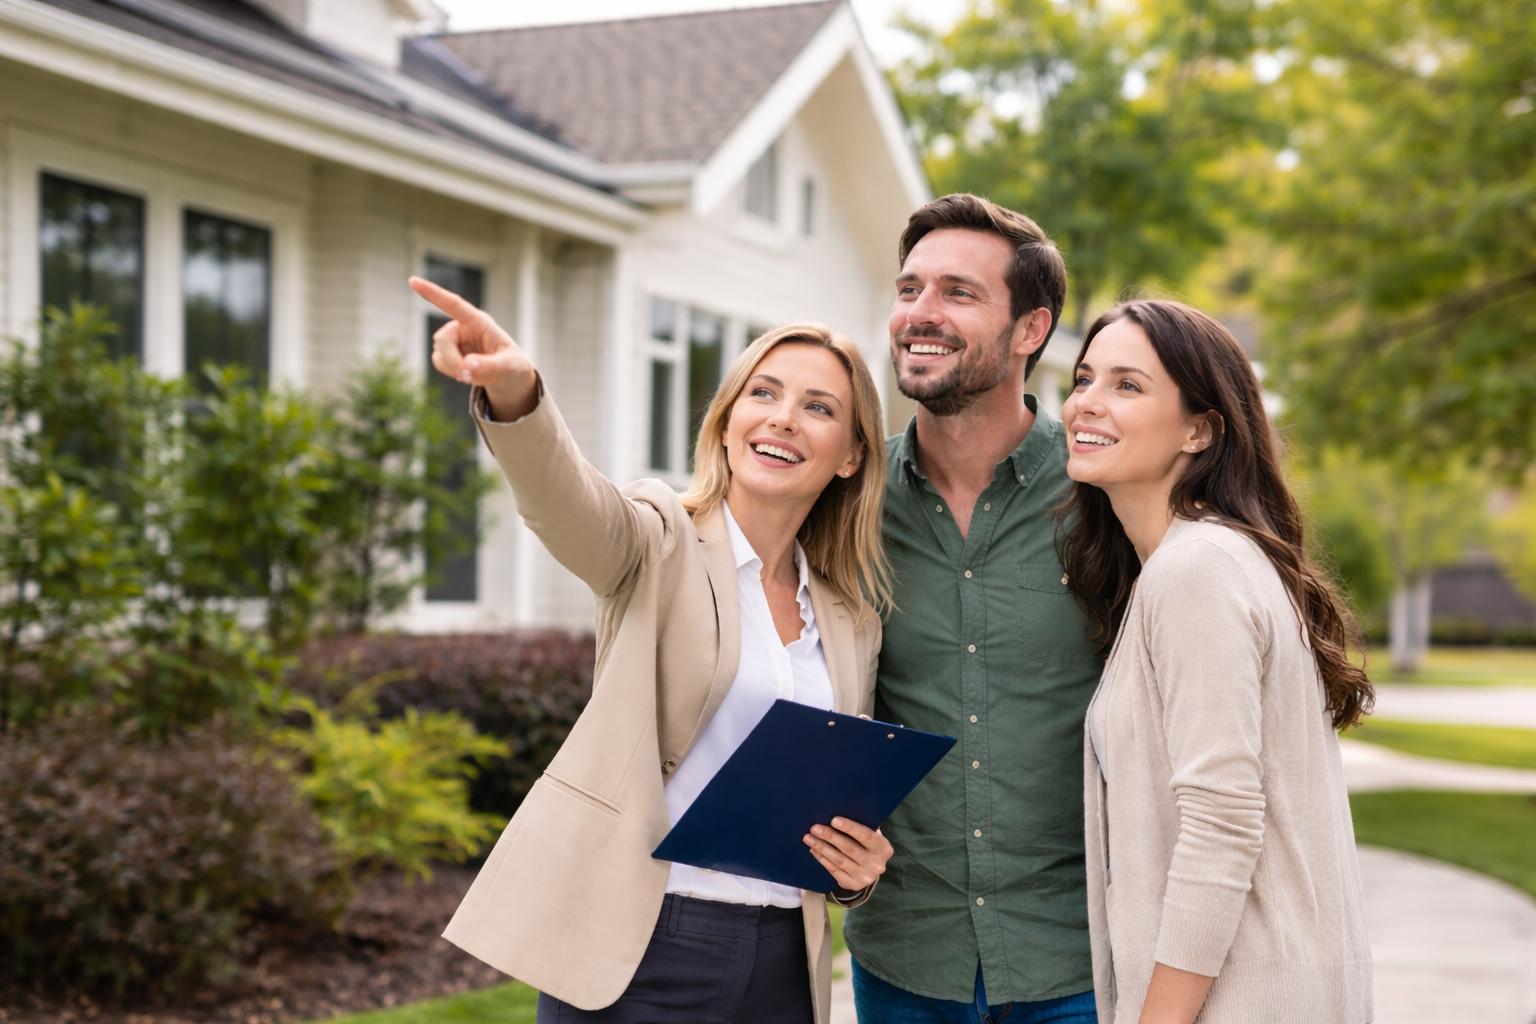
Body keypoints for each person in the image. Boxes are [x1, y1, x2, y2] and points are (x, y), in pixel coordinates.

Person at [407, 275, 896, 1024]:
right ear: (729, 423)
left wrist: (854, 873)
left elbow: (832, 798)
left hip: (782, 965)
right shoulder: (657, 537)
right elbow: (566, 503)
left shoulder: (849, 615)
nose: (784, 419)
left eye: (819, 407)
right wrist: (517, 393)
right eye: (762, 394)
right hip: (641, 944)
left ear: (852, 456)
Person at [1060, 299, 1374, 1024]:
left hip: (1243, 1000)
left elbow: (1221, 826)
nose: (1087, 403)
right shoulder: (1200, 562)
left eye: (1127, 385)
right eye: (1084, 378)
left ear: (1200, 430)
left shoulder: (1196, 570)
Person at [844, 193, 1102, 1023]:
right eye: (909, 288)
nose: (920, 313)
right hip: (905, 957)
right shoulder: (845, 499)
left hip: (1078, 955)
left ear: (1031, 329)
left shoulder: (1105, 496)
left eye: (958, 292)